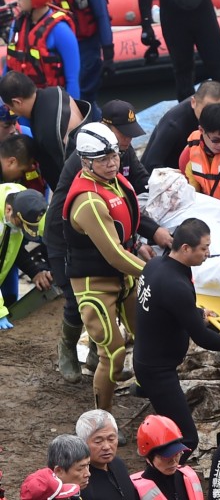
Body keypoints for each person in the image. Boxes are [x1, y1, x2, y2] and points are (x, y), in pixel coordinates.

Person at [44, 100, 172, 386]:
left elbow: (134, 189)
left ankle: (96, 354)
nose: (126, 142)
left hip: (103, 232)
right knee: (77, 302)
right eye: (123, 134)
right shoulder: (89, 159)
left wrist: (154, 227)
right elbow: (97, 219)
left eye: (127, 137)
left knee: (114, 301)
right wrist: (155, 271)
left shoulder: (117, 152)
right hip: (68, 238)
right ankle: (67, 348)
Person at [134, 218, 220, 457]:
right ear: (185, 248)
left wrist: (197, 313)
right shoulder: (175, 284)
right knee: (187, 438)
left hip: (147, 358)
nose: (208, 254)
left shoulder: (156, 265)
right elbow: (203, 338)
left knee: (169, 429)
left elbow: (164, 306)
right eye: (203, 248)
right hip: (158, 371)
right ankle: (165, 477)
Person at [62, 123, 146, 435]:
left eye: (114, 155)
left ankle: (146, 384)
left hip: (123, 276)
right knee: (114, 352)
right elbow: (113, 254)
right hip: (94, 284)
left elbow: (128, 235)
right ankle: (102, 421)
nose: (111, 162)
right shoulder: (89, 202)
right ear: (85, 162)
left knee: (148, 334)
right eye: (103, 159)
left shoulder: (113, 181)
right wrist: (156, 273)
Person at [39, 0, 114, 120]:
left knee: (84, 96)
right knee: (64, 96)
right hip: (61, 45)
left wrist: (108, 53)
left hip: (86, 44)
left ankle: (97, 132)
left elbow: (101, 14)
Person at [0, 71, 91, 190]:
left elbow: (70, 175)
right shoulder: (56, 92)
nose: (14, 113)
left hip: (81, 187)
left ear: (17, 102)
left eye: (11, 108)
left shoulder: (47, 129)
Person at [6, 0, 80, 99]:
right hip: (19, 101)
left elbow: (72, 78)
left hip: (47, 102)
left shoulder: (60, 30)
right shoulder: (17, 25)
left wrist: (70, 111)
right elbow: (9, 65)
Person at [141, 80, 220, 173]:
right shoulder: (174, 124)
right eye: (208, 110)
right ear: (194, 102)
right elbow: (150, 165)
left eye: (218, 110)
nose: (213, 116)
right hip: (172, 175)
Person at [0, 185, 52, 331]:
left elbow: (53, 238)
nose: (22, 229)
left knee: (10, 300)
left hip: (5, 262)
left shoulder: (31, 205)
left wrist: (39, 271)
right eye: (20, 224)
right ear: (9, 210)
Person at [131, 415, 203, 500]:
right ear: (148, 458)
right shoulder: (134, 491)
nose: (173, 462)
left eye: (176, 454)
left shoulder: (189, 477)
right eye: (165, 457)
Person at [75, 409, 138, 500]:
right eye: (98, 441)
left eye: (111, 439)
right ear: (82, 443)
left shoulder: (118, 464)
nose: (106, 447)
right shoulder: (80, 481)